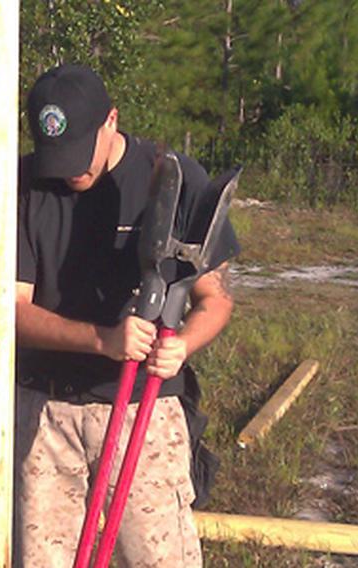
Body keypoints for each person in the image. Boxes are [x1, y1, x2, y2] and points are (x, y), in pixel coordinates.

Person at [14, 64, 239, 567]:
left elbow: (215, 297)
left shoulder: (169, 177)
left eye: (78, 154)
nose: (69, 171)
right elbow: (8, 312)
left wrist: (182, 345)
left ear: (111, 120)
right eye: (56, 156)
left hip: (143, 408)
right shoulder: (23, 181)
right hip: (46, 412)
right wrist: (102, 340)